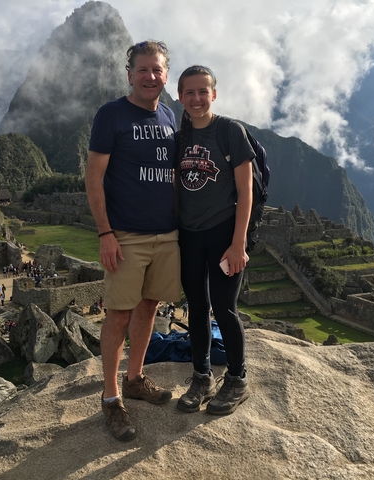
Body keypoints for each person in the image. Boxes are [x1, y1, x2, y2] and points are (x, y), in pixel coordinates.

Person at [85, 39, 181, 441]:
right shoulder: (112, 115)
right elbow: (93, 177)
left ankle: (136, 377)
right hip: (126, 235)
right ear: (130, 74)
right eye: (142, 69)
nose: (150, 76)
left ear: (165, 75)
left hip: (167, 233)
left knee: (149, 305)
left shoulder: (170, 117)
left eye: (157, 69)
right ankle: (111, 399)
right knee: (119, 314)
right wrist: (106, 233)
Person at [174, 65, 253, 415]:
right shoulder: (181, 137)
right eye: (189, 92)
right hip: (190, 235)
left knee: (224, 308)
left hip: (223, 232)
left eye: (203, 91)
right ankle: (202, 376)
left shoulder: (229, 131)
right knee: (196, 308)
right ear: (180, 97)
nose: (196, 98)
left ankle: (237, 378)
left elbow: (245, 190)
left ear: (214, 94)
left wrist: (239, 244)